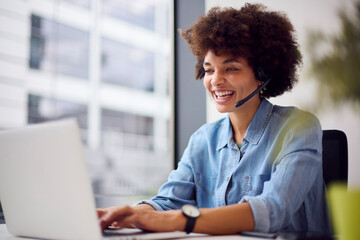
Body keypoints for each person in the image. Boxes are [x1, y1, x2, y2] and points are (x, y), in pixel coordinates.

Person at [98, 3, 332, 235]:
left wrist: (182, 220)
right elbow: (168, 202)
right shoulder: (203, 139)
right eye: (209, 70)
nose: (216, 80)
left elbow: (273, 210)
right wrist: (127, 214)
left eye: (230, 69)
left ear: (262, 74)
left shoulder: (298, 127)